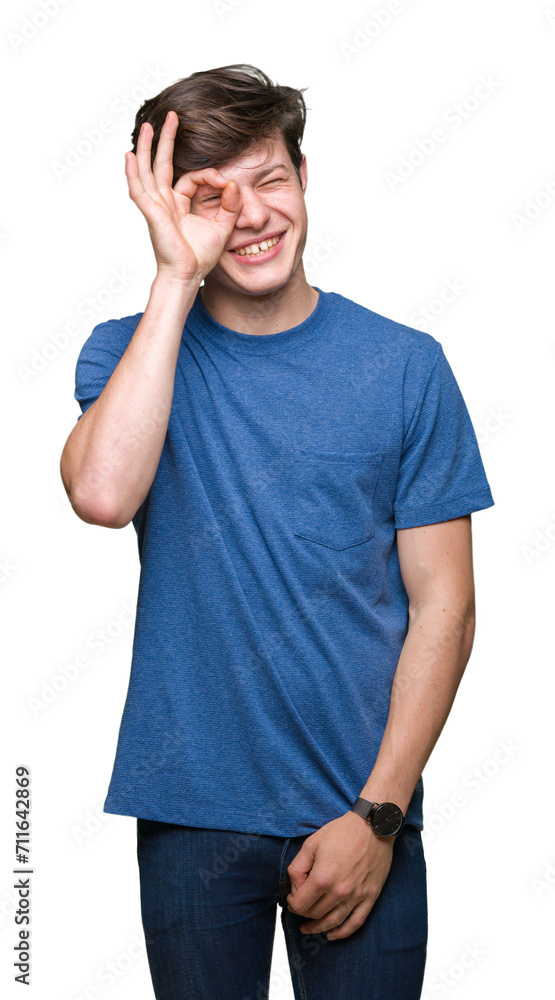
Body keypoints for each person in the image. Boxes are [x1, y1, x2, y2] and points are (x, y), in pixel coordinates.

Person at [60, 63, 494, 1000]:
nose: (250, 215)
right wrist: (176, 275)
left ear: (303, 177)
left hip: (361, 808)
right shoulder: (128, 350)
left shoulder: (406, 367)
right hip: (191, 810)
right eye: (209, 196)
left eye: (268, 179)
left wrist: (378, 816)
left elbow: (446, 609)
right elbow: (101, 494)